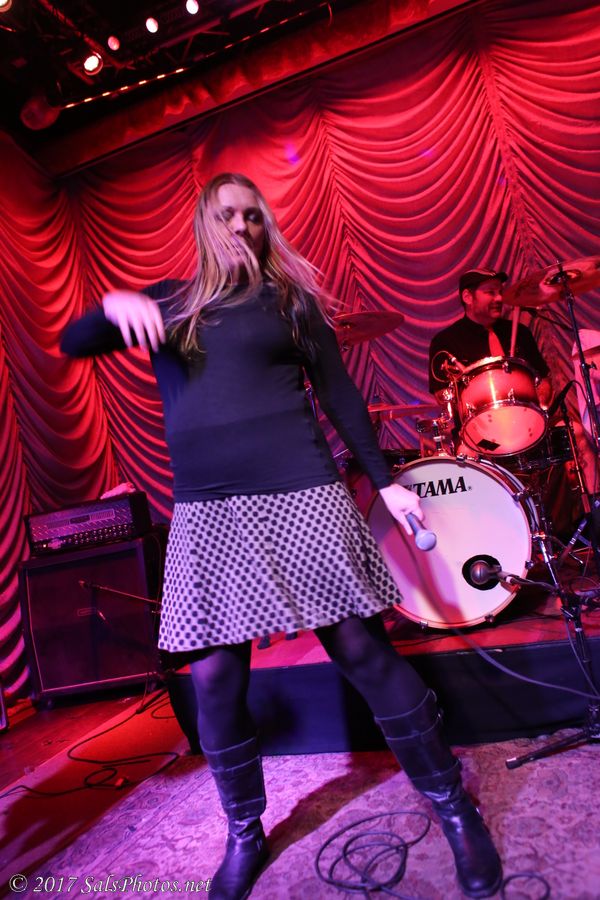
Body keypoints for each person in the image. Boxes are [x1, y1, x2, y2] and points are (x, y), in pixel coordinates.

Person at [61, 174, 502, 900]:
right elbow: (73, 341)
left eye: (253, 216)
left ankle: (454, 806)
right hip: (209, 510)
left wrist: (385, 480)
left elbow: (340, 393)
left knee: (362, 650)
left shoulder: (291, 300)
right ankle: (244, 832)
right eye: (228, 216)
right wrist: (110, 307)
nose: (242, 226)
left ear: (265, 225)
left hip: (302, 490)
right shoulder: (169, 303)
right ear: (205, 225)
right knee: (213, 677)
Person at [429, 267, 552, 407]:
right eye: (490, 292)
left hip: (526, 416)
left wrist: (539, 404)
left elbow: (543, 379)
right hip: (479, 419)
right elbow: (442, 396)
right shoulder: (445, 342)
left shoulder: (520, 332)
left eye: (500, 292)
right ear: (468, 297)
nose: (500, 298)